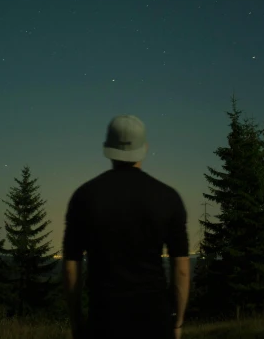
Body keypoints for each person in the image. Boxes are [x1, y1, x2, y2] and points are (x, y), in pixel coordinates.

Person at [62, 115, 191, 339]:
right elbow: (181, 268)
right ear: (145, 148)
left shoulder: (84, 197)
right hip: (155, 321)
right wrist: (177, 322)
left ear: (108, 148)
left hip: (104, 320)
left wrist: (76, 321)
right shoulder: (168, 198)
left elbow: (71, 266)